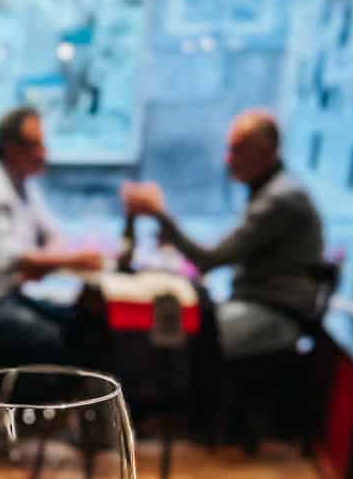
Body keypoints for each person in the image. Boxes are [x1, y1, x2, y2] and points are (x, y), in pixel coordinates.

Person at [121, 110, 325, 360]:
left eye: (237, 150)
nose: (228, 160)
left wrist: (160, 214)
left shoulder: (280, 199)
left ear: (264, 152)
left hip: (274, 314)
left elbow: (210, 259)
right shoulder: (271, 191)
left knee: (186, 337)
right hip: (260, 305)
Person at [0, 106, 106, 365]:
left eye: (42, 143)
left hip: (6, 294)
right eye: (33, 145)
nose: (43, 153)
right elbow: (4, 259)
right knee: (55, 341)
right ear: (9, 147)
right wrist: (70, 261)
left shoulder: (21, 182)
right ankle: (34, 404)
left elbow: (51, 234)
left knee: (78, 321)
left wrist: (44, 262)